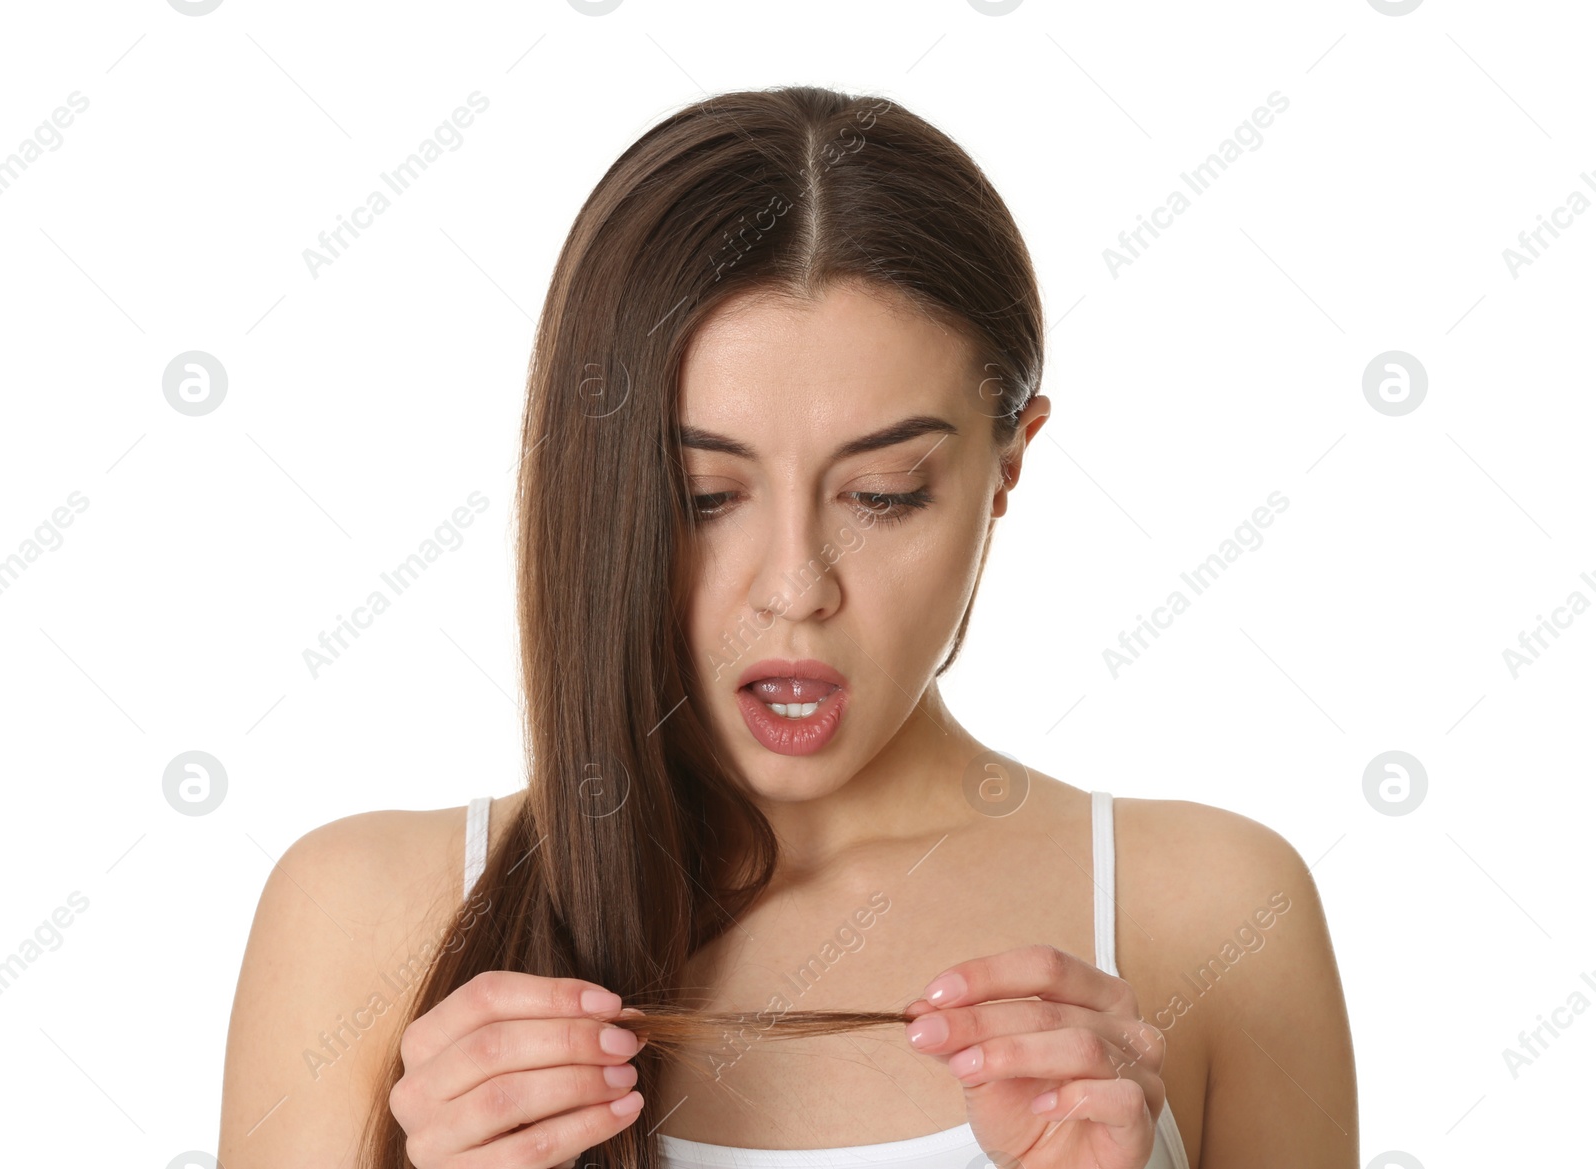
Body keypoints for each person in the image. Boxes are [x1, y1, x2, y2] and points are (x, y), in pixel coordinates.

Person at [218, 85, 1356, 1169]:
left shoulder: (1214, 911)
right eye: (704, 498)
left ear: (1009, 461)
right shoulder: (362, 917)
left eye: (885, 493)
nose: (796, 587)